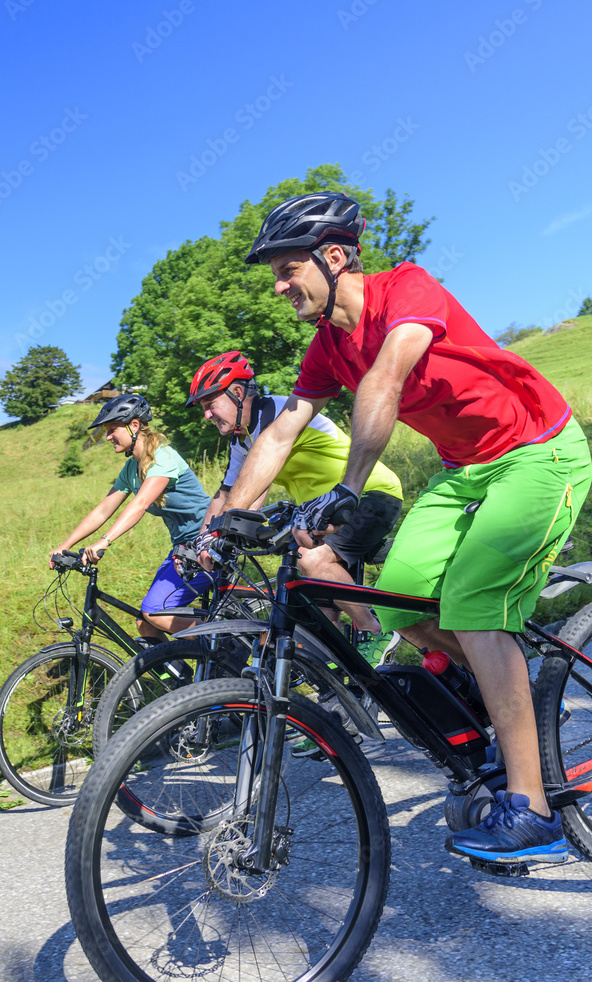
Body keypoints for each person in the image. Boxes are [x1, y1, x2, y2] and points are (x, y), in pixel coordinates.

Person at [226, 190, 592, 866]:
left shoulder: (407, 288)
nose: (279, 287)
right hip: (465, 471)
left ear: (335, 258)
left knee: (475, 603)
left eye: (288, 270)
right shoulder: (326, 348)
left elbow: (387, 379)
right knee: (394, 602)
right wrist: (224, 523)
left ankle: (534, 812)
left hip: (538, 452)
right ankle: (508, 698)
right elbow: (279, 432)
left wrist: (348, 487)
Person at [187, 350, 403, 661]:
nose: (207, 415)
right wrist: (201, 541)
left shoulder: (280, 413)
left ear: (237, 392)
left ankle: (375, 630)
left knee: (310, 560)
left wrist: (222, 533)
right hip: (319, 514)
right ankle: (336, 674)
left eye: (210, 404)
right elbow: (225, 495)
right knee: (317, 605)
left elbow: (257, 485)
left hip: (368, 493)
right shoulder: (242, 440)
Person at [50, 393, 211, 640]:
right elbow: (104, 509)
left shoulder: (163, 457)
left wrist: (105, 541)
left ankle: (225, 646)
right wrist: (65, 545)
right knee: (146, 624)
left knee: (154, 612)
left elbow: (141, 503)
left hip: (208, 543)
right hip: (182, 548)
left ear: (134, 425)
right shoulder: (131, 468)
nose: (107, 437)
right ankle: (179, 667)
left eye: (112, 429)